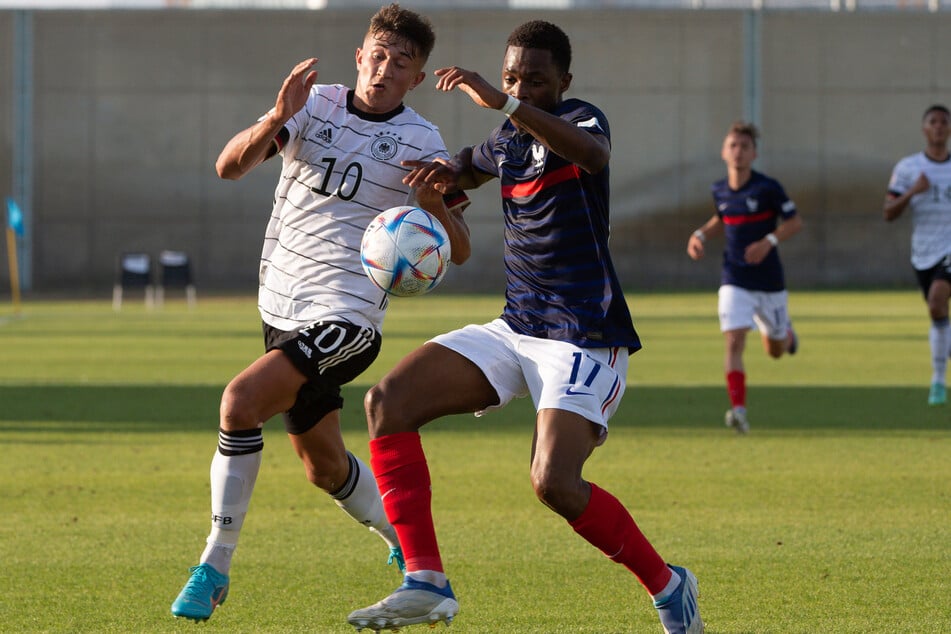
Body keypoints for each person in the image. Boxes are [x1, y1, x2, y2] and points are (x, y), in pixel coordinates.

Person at [347, 20, 703, 634]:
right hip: (518, 326)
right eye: (512, 77)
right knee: (387, 402)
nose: (520, 88)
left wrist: (504, 101)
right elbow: (455, 171)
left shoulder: (583, 122)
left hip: (585, 334)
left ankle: (670, 586)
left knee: (555, 483)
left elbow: (591, 155)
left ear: (563, 82)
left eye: (534, 80)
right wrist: (426, 184)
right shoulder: (503, 143)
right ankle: (426, 581)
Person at [170, 3, 471, 622]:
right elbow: (228, 167)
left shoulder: (425, 142)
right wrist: (278, 116)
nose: (385, 70)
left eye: (402, 64)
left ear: (417, 79)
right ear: (360, 56)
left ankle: (214, 565)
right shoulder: (313, 105)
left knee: (239, 403)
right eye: (378, 56)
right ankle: (403, 546)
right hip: (281, 305)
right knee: (323, 464)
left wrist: (430, 204)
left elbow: (460, 249)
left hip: (349, 317)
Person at [686, 121, 802, 434]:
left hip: (769, 282)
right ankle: (738, 410)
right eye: (733, 145)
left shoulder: (768, 188)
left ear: (755, 153)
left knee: (775, 351)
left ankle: (786, 335)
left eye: (744, 146)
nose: (738, 151)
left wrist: (769, 241)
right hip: (734, 278)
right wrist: (700, 234)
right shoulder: (720, 189)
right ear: (724, 152)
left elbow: (794, 222)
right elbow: (720, 218)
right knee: (734, 342)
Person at [884, 104, 951, 406]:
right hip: (924, 253)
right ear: (924, 129)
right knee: (937, 313)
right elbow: (888, 212)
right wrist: (913, 191)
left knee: (938, 300)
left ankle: (937, 382)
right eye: (933, 122)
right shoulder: (908, 168)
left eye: (944, 122)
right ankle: (940, 368)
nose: (938, 127)